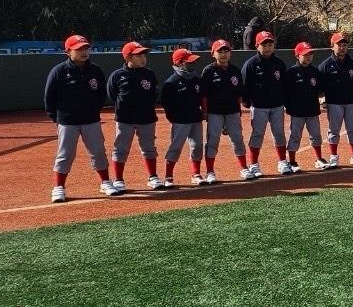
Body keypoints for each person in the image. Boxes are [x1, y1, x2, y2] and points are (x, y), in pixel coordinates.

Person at [44, 35, 116, 201]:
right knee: (65, 154)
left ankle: (105, 182)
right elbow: (49, 97)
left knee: (98, 152)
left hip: (91, 120)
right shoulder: (59, 71)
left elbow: (100, 94)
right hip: (67, 122)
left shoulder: (95, 70)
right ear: (68, 52)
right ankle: (58, 187)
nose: (84, 52)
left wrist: (93, 111)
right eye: (79, 49)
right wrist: (57, 118)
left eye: (86, 48)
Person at [106, 40, 160, 193]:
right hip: (125, 118)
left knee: (149, 147)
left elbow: (154, 93)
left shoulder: (150, 74)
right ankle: (118, 180)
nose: (143, 58)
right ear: (128, 57)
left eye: (144, 55)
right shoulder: (118, 75)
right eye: (138, 55)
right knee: (121, 148)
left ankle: (153, 177)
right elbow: (112, 94)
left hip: (147, 118)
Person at [202, 38, 254, 181]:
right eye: (220, 52)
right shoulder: (208, 71)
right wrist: (205, 112)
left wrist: (238, 111)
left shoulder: (235, 70)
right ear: (213, 53)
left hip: (232, 112)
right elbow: (204, 95)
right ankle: (210, 172)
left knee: (237, 139)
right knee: (213, 140)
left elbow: (238, 94)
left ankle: (244, 168)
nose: (223, 54)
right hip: (215, 112)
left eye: (226, 51)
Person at [241, 30, 288, 177]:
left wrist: (284, 101)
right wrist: (247, 102)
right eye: (264, 44)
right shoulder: (251, 64)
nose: (267, 47)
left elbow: (284, 84)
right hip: (259, 106)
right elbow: (244, 85)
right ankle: (254, 164)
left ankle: (282, 161)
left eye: (270, 44)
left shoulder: (279, 63)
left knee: (279, 133)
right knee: (257, 134)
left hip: (277, 105)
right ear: (257, 46)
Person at [160, 47, 205, 188]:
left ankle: (196, 174)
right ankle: (168, 176)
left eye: (193, 61)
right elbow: (166, 104)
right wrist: (174, 118)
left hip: (195, 119)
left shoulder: (197, 79)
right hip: (180, 121)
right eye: (189, 62)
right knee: (176, 147)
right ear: (179, 63)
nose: (192, 64)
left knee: (197, 146)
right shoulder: (171, 82)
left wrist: (202, 112)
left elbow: (201, 98)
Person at [283, 42, 326, 173]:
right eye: (305, 54)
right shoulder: (291, 72)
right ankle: (292, 161)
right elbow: (286, 92)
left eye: (310, 54)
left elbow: (320, 89)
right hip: (297, 111)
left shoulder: (315, 71)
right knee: (295, 135)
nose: (308, 57)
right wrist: (288, 106)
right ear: (297, 56)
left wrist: (322, 97)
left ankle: (319, 159)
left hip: (312, 110)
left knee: (316, 135)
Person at [318, 31, 353, 168]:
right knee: (334, 130)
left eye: (344, 45)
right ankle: (333, 156)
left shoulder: (352, 63)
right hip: (334, 102)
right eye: (339, 45)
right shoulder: (326, 65)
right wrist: (322, 98)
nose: (342, 47)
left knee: (352, 129)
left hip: (350, 101)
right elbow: (319, 86)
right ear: (332, 46)